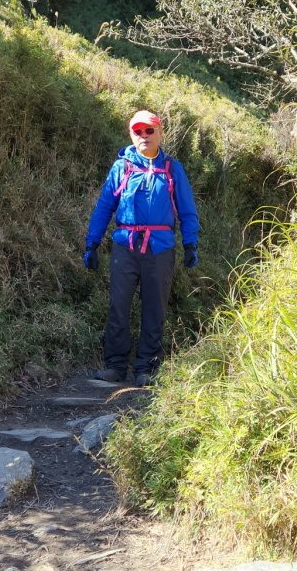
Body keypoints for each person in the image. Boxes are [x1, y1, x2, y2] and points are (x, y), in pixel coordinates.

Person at [83, 110, 200, 387]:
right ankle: (115, 366)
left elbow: (187, 208)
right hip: (125, 245)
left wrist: (190, 242)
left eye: (149, 131)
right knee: (118, 307)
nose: (144, 136)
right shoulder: (121, 167)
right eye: (138, 131)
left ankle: (146, 368)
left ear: (160, 133)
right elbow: (104, 206)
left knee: (154, 309)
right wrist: (93, 241)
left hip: (160, 248)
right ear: (131, 135)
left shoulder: (172, 168)